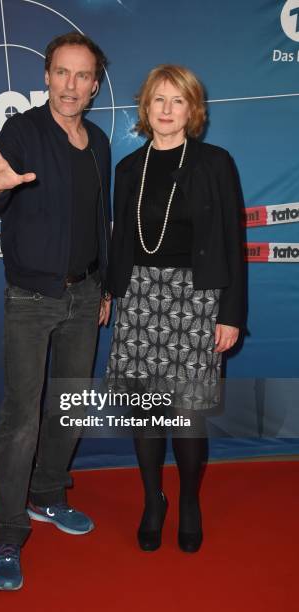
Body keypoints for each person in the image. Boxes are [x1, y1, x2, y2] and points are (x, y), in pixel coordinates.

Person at [0, 32, 111, 590]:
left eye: (82, 75)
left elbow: (100, 220)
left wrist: (105, 289)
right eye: (62, 73)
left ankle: (48, 495)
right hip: (30, 298)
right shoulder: (23, 130)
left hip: (85, 295)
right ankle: (7, 533)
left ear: (95, 85)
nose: (71, 85)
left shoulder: (98, 141)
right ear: (47, 76)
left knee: (70, 406)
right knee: (21, 418)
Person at [106, 65, 246, 553]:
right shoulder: (127, 170)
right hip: (141, 298)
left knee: (187, 416)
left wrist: (231, 312)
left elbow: (233, 240)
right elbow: (119, 241)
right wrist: (108, 291)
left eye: (177, 101)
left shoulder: (215, 163)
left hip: (198, 300)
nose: (166, 110)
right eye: (157, 100)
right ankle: (152, 500)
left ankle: (188, 501)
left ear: (192, 109)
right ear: (145, 108)